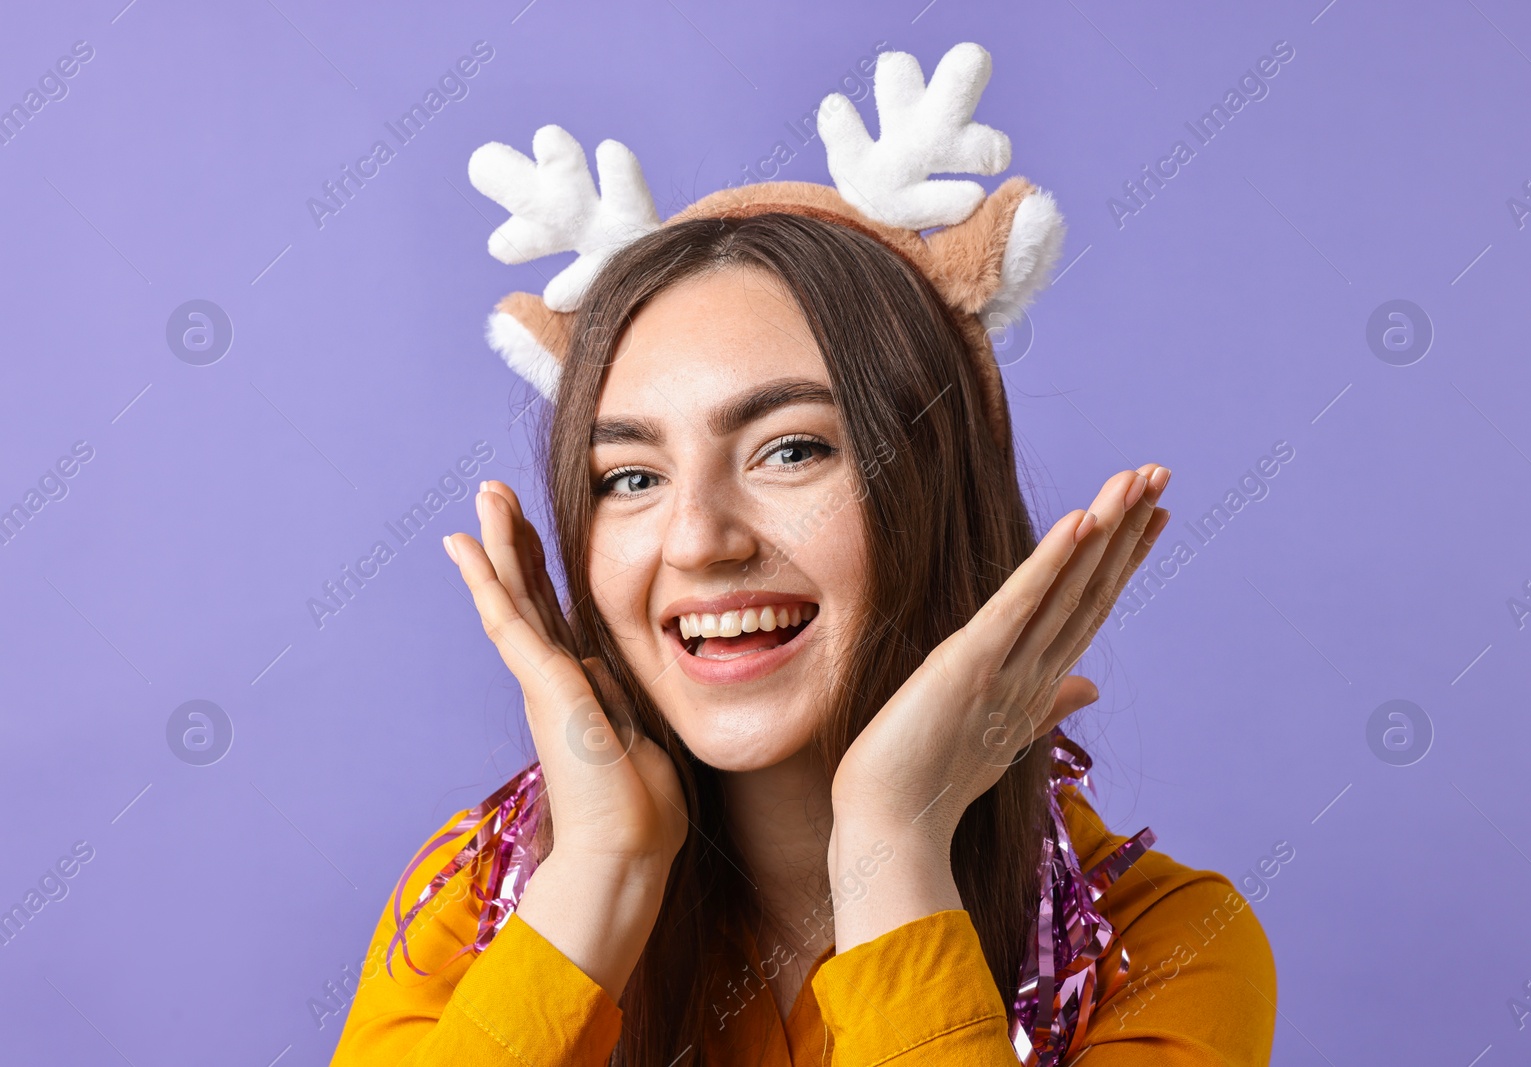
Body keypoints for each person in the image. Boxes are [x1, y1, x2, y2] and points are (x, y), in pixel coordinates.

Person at [331, 43, 1274, 1067]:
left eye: (791, 449)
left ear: (938, 491)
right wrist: (599, 873)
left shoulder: (1169, 948)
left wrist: (891, 850)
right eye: (631, 476)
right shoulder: (472, 904)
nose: (697, 539)